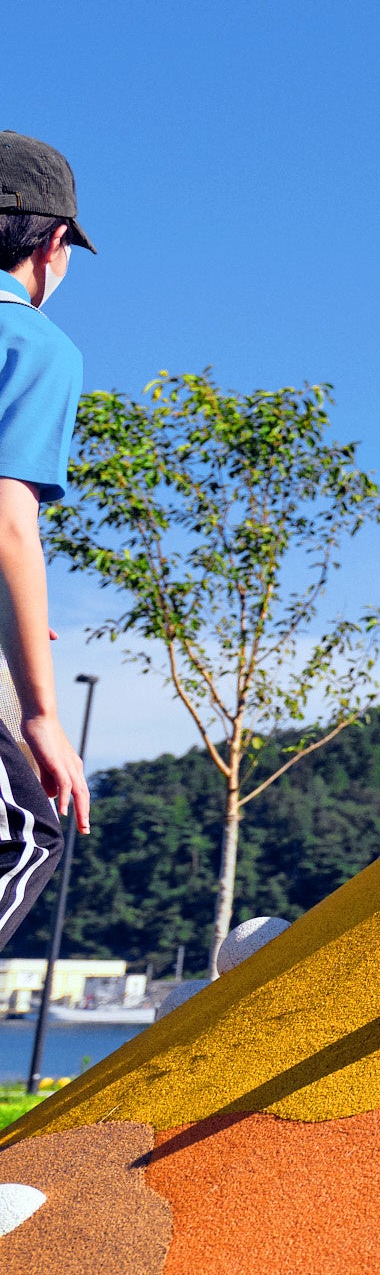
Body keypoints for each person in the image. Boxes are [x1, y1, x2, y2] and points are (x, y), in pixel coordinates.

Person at [0, 132, 96, 955]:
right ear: (53, 241)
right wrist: (42, 712)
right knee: (24, 837)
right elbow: (7, 520)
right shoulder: (30, 343)